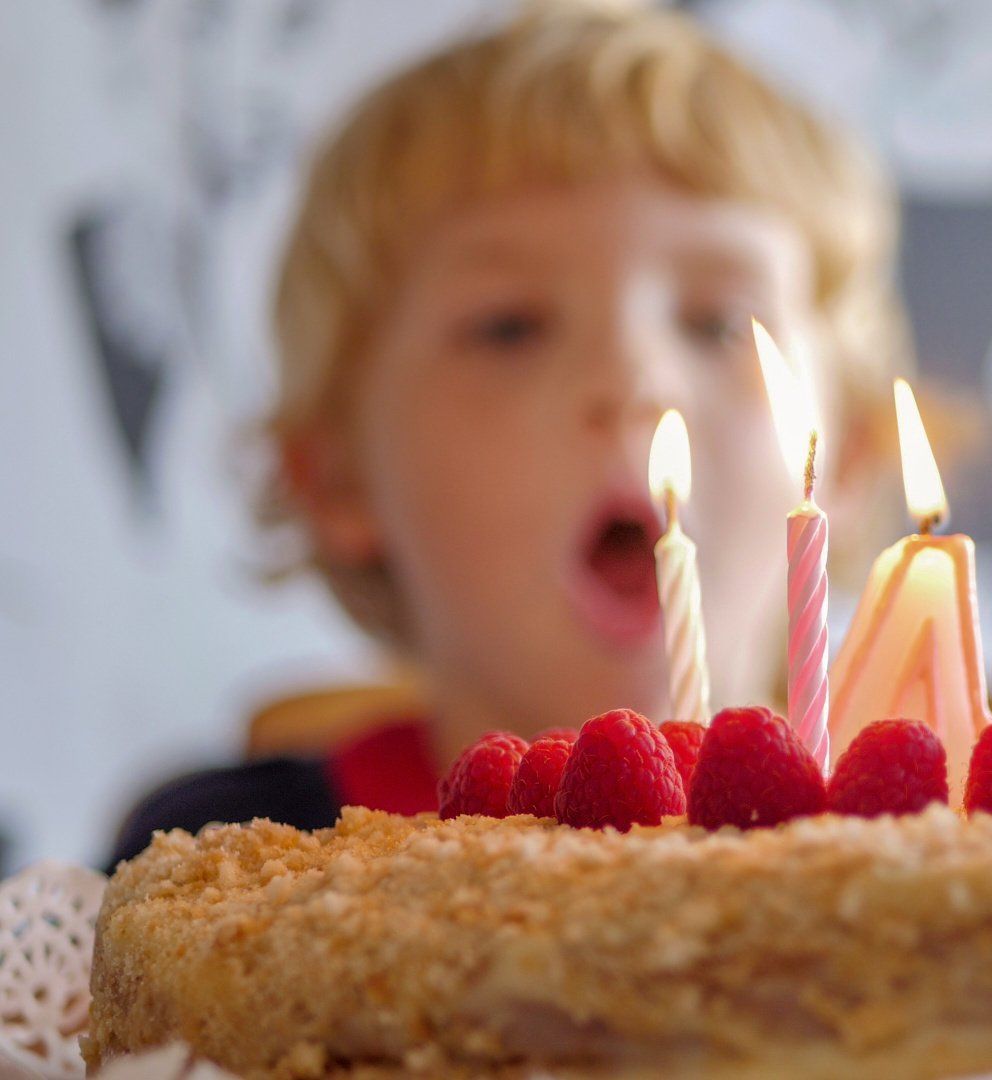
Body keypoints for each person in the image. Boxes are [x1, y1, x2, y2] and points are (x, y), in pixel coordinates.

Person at [109, 0, 906, 866]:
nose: (633, 381)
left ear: (849, 454)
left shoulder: (920, 848)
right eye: (511, 327)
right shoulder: (226, 859)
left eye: (718, 323)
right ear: (339, 474)